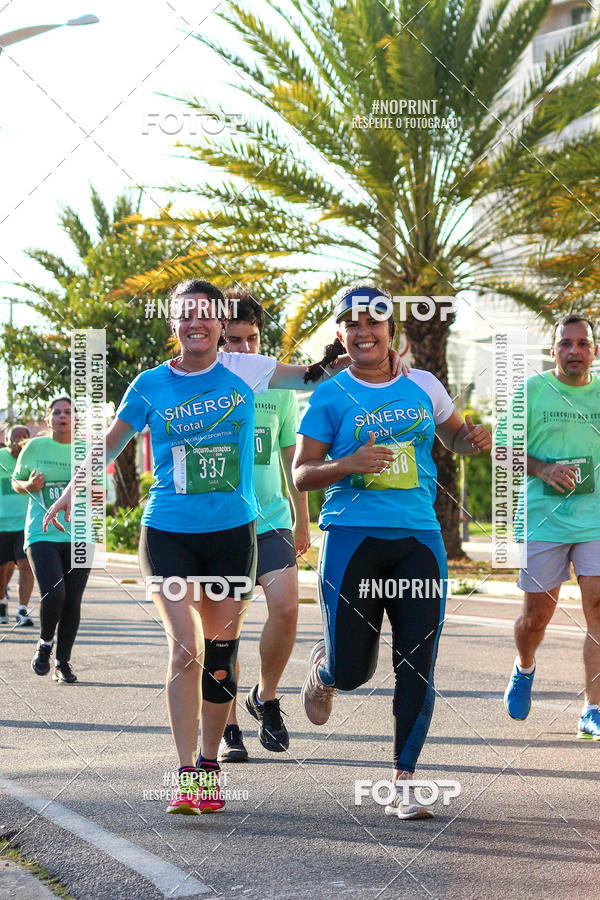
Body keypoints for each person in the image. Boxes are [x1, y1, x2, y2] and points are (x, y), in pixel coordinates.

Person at [44, 279, 407, 817]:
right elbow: (110, 444)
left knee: (219, 656)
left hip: (231, 537)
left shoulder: (244, 369)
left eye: (206, 314)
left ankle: (210, 766)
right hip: (168, 533)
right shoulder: (150, 384)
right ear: (173, 324)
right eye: (185, 314)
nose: (196, 322)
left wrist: (363, 349)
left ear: (219, 321)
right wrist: (72, 491)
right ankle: (186, 773)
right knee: (185, 648)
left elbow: (313, 375)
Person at [293, 284, 492, 820]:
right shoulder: (330, 396)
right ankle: (326, 671)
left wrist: (472, 440)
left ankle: (404, 781)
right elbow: (302, 473)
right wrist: (348, 464)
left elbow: (453, 438)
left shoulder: (424, 384)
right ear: (341, 335)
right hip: (352, 539)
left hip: (418, 539)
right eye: (353, 324)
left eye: (373, 322)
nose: (364, 332)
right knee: (353, 670)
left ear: (391, 330)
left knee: (417, 661)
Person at [215, 291, 311, 762]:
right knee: (224, 630)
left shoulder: (278, 386)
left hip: (272, 520)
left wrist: (302, 519)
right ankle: (228, 724)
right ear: (217, 340)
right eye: (234, 340)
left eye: (251, 339)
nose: (245, 349)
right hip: (221, 526)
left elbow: (292, 456)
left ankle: (265, 697)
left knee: (287, 610)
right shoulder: (205, 385)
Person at [502, 314, 600, 739]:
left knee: (598, 608)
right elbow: (503, 449)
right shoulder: (532, 391)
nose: (574, 351)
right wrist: (543, 469)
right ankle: (524, 667)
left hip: (595, 519)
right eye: (566, 343)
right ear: (553, 350)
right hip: (543, 519)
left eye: (583, 343)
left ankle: (593, 708)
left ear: (594, 350)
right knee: (536, 618)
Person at [13, 398, 91, 683]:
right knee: (55, 593)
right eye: (56, 412)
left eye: (68, 412)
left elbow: (102, 491)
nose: (62, 416)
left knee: (73, 601)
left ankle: (62, 663)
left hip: (81, 535)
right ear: (48, 419)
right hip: (41, 532)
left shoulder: (87, 450)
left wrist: (87, 488)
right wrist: (29, 485)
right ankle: (45, 642)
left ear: (76, 419)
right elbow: (16, 482)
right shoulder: (35, 446)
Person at [0, 424, 34, 626]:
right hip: (2, 525)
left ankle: (22, 610)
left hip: (25, 523)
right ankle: (1, 603)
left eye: (23, 438)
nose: (18, 442)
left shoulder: (32, 459)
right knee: (2, 569)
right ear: (7, 440)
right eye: (15, 438)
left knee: (25, 565)